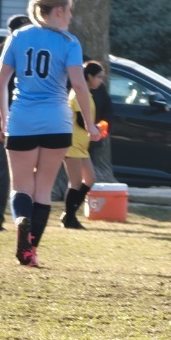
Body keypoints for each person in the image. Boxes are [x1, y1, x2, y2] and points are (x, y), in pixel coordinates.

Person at [0, 0, 100, 267]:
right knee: (43, 190)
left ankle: (21, 220)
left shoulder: (18, 36)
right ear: (58, 11)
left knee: (21, 188)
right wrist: (90, 125)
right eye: (69, 11)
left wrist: (4, 116)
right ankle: (30, 252)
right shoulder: (69, 42)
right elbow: (79, 85)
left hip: (22, 119)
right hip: (57, 120)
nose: (70, 17)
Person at [0, 15, 32, 230]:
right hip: (6, 122)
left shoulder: (28, 53)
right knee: (1, 173)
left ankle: (23, 219)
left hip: (26, 120)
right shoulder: (0, 56)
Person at [61, 60, 106, 229]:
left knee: (90, 179)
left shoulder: (87, 94)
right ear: (89, 76)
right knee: (76, 182)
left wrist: (97, 128)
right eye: (99, 77)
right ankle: (70, 218)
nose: (100, 81)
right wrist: (95, 128)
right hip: (72, 144)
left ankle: (69, 214)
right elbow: (81, 120)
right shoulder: (79, 94)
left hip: (81, 145)